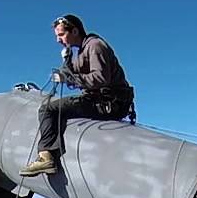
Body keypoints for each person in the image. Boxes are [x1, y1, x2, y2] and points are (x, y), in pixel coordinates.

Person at [20, 13, 135, 177]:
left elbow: (100, 78)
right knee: (54, 107)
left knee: (48, 110)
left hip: (109, 103)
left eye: (61, 35)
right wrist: (67, 60)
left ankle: (46, 157)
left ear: (74, 31)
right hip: (104, 101)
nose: (58, 40)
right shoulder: (81, 51)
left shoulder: (95, 46)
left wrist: (69, 78)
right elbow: (72, 73)